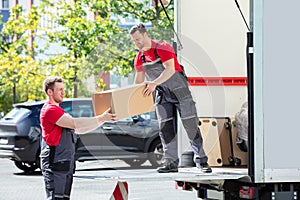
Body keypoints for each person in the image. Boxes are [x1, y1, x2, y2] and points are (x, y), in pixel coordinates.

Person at [129, 24, 212, 173]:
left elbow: (170, 69)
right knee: (166, 129)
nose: (137, 43)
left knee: (190, 125)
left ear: (146, 35)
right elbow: (139, 81)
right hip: (162, 93)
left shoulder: (163, 47)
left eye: (138, 39)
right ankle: (171, 163)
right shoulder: (139, 58)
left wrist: (153, 83)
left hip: (180, 91)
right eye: (134, 41)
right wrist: (130, 100)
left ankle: (201, 161)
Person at [40, 76, 116, 200]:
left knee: (64, 198)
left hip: (64, 163)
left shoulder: (59, 111)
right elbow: (76, 123)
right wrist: (102, 118)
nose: (63, 92)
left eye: (63, 89)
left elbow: (81, 129)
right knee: (56, 198)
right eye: (59, 89)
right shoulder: (50, 110)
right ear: (49, 92)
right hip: (55, 164)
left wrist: (104, 120)